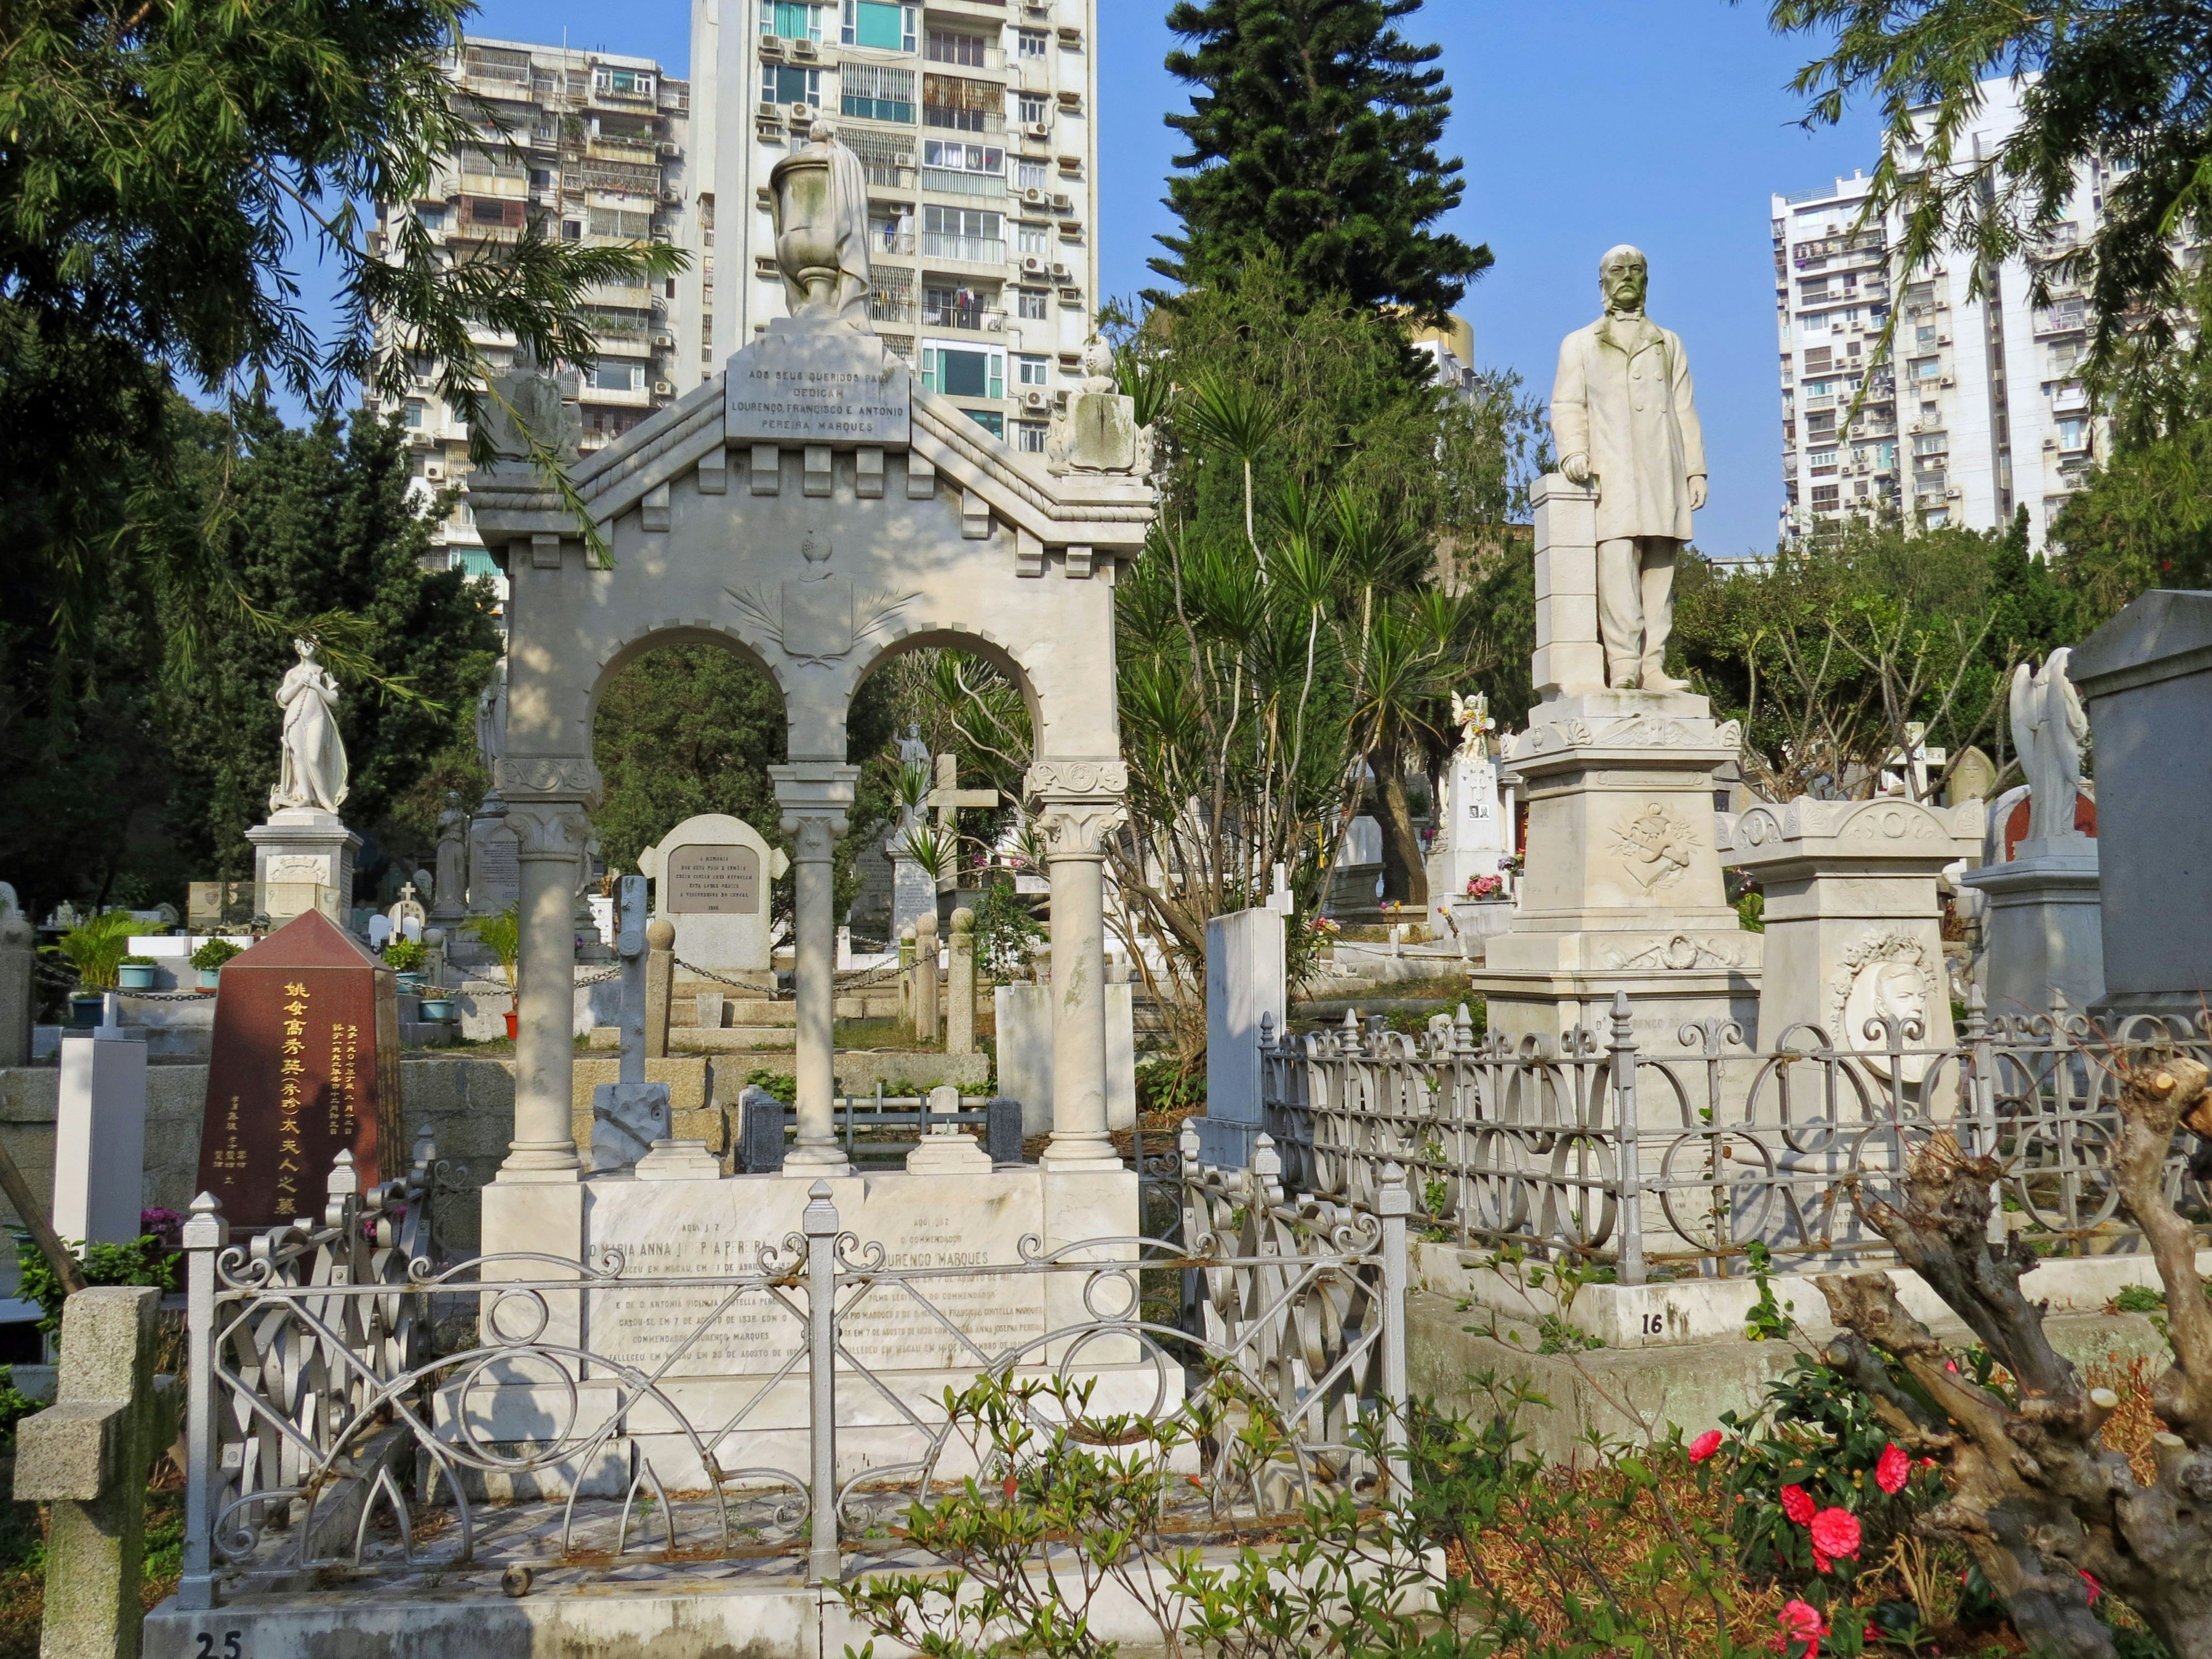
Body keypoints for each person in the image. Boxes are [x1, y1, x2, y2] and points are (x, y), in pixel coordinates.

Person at [1551, 247, 1708, 691]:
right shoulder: (1580, 342)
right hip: (1611, 471)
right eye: (1617, 271)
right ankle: (1624, 662)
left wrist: (1696, 471)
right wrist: (1573, 451)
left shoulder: (1669, 342)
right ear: (1602, 282)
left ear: (1647, 280)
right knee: (1617, 564)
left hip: (1664, 468)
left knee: (1660, 571)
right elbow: (1566, 404)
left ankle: (1653, 665)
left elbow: (1685, 408)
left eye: (1636, 271)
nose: (1627, 278)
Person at [271, 638, 349, 814]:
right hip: (294, 719)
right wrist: (300, 683)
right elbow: (283, 699)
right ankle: (305, 796)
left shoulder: (323, 673)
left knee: (314, 757)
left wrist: (316, 685)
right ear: (298, 648)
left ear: (317, 648)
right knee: (298, 757)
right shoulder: (292, 674)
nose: (307, 647)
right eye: (304, 644)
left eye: (312, 644)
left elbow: (334, 700)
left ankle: (324, 800)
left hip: (317, 717)